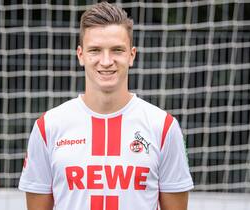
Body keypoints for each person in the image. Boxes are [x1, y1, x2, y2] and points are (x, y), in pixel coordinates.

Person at [18, 2, 193, 210]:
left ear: (132, 55)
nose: (106, 61)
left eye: (117, 50)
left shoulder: (163, 127)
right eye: (95, 50)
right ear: (81, 55)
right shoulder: (48, 127)